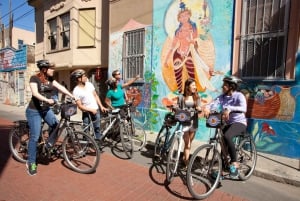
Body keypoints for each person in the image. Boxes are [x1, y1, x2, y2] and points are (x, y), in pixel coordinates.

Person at [26, 59, 75, 176]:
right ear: (44, 69)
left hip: (46, 110)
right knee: (35, 136)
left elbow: (61, 88)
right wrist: (47, 100)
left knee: (55, 125)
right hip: (34, 111)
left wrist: (71, 95)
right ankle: (31, 162)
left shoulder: (51, 80)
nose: (53, 70)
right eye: (51, 68)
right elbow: (35, 93)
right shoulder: (34, 78)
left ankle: (48, 144)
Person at [163, 2, 215, 93]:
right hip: (178, 54)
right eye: (181, 16)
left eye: (186, 15)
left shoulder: (193, 27)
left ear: (189, 15)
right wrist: (166, 60)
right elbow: (172, 47)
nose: (184, 18)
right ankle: (180, 95)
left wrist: (193, 42)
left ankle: (192, 94)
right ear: (179, 19)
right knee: (178, 77)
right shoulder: (178, 31)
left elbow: (196, 45)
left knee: (191, 75)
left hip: (189, 53)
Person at [203, 75, 247, 178]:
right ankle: (222, 168)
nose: (222, 87)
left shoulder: (239, 95)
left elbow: (244, 108)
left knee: (227, 136)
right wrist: (207, 108)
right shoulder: (222, 97)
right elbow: (213, 103)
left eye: (225, 85)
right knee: (222, 141)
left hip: (239, 122)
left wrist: (230, 109)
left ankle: (234, 163)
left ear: (231, 86)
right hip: (228, 123)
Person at [71, 69, 108, 145]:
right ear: (79, 79)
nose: (85, 77)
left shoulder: (89, 84)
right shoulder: (76, 91)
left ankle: (98, 145)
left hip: (95, 110)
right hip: (86, 113)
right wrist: (90, 109)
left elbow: (95, 95)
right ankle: (85, 147)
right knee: (86, 131)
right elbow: (80, 106)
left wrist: (101, 106)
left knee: (97, 129)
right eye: (84, 76)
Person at [175, 78, 202, 169]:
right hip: (184, 122)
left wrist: (199, 109)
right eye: (193, 85)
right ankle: (187, 163)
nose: (195, 87)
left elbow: (199, 107)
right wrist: (175, 108)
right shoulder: (181, 97)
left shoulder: (197, 97)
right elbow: (178, 106)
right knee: (188, 143)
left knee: (189, 143)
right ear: (188, 86)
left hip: (194, 122)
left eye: (195, 85)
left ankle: (184, 159)